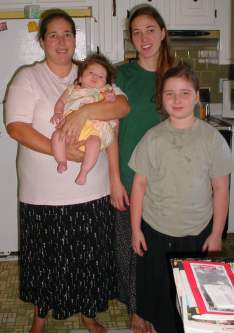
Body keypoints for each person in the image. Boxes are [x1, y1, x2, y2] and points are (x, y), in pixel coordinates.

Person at [5, 8, 129, 333]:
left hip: (93, 189)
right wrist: (66, 153)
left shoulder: (90, 73)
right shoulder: (28, 77)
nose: (62, 41)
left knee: (87, 258)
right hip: (41, 192)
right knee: (45, 260)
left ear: (76, 39)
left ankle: (88, 314)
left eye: (68, 34)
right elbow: (16, 127)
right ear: (42, 41)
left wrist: (86, 111)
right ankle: (39, 317)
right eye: (53, 35)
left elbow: (120, 109)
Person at [129, 63, 234, 333]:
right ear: (161, 99)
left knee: (195, 302)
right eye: (170, 94)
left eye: (185, 93)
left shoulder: (212, 139)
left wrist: (216, 234)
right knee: (161, 298)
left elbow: (221, 189)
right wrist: (135, 229)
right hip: (155, 231)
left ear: (197, 96)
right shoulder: (152, 138)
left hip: (197, 234)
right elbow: (139, 186)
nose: (177, 100)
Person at [110, 4, 174, 332]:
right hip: (129, 176)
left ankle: (160, 301)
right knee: (131, 248)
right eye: (136, 32)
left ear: (163, 32)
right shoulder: (122, 75)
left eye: (150, 29)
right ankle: (138, 307)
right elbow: (111, 131)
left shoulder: (178, 74)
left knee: (160, 247)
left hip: (168, 182)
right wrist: (115, 179)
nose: (143, 37)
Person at [51, 53, 118, 185]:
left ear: (105, 83)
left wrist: (110, 98)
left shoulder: (103, 91)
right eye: (91, 72)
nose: (95, 77)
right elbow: (61, 102)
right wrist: (58, 113)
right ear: (80, 77)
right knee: (57, 135)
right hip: (70, 126)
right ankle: (61, 160)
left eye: (101, 76)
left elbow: (113, 103)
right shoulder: (72, 89)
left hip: (93, 129)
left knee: (94, 142)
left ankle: (84, 171)